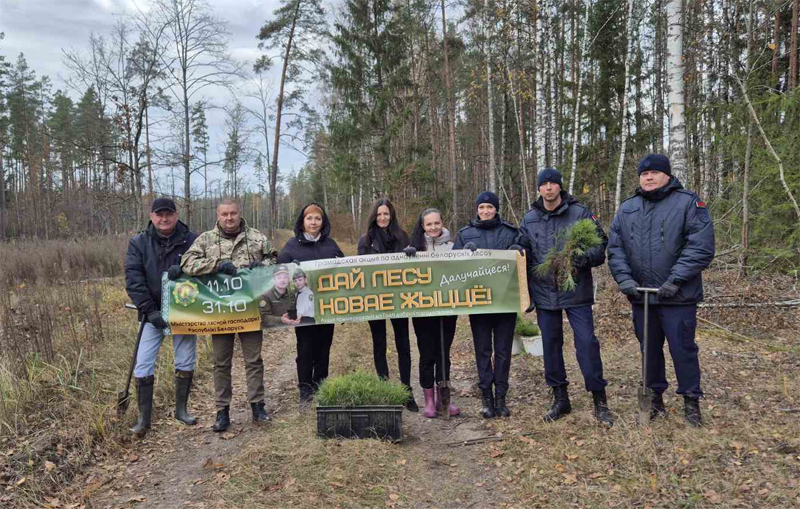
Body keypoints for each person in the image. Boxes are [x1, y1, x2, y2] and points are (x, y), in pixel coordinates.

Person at [608, 154, 715, 427]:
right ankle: (655, 399)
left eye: (655, 172)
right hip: (642, 297)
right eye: (644, 173)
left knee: (683, 350)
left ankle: (691, 401)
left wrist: (675, 280)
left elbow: (700, 247)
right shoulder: (627, 208)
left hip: (678, 296)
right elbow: (616, 249)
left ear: (667, 175)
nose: (649, 177)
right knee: (650, 351)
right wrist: (625, 281)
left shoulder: (688, 203)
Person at [520, 168, 613, 426]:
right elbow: (522, 251)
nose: (549, 188)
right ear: (538, 188)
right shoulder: (529, 219)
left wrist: (581, 258)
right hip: (544, 292)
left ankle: (599, 399)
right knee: (550, 346)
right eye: (544, 184)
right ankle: (560, 398)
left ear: (560, 187)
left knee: (586, 344)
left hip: (576, 290)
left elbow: (599, 246)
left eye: (553, 183)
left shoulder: (580, 213)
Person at [181, 199, 277, 432]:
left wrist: (262, 266)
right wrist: (215, 265)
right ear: (218, 215)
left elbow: (274, 258)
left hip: (250, 308)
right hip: (220, 312)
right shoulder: (205, 239)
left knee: (254, 360)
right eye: (224, 214)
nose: (229, 218)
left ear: (239, 213)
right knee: (221, 363)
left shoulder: (256, 237)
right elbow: (186, 263)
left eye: (233, 213)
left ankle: (257, 406)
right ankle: (222, 411)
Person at [124, 197, 198, 437]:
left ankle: (182, 410)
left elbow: (205, 269)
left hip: (185, 311)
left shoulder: (192, 240)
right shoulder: (138, 243)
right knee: (143, 363)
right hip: (151, 314)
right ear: (152, 216)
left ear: (176, 215)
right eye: (159, 214)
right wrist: (149, 310)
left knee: (185, 359)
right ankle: (144, 418)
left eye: (168, 214)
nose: (164, 218)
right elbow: (134, 280)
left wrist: (186, 270)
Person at [453, 191, 523, 418]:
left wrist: (519, 251)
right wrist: (463, 253)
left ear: (496, 209)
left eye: (490, 207)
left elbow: (524, 260)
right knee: (483, 350)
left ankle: (501, 396)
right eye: (482, 207)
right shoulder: (465, 234)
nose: (485, 211)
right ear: (476, 209)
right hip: (479, 302)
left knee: (503, 351)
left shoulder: (511, 232)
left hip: (505, 302)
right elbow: (453, 267)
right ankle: (486, 397)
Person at [277, 203, 344, 408]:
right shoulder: (291, 246)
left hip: (327, 308)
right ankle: (305, 389)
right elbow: (278, 272)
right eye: (310, 218)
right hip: (303, 309)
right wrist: (290, 266)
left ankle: (320, 383)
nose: (313, 222)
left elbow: (346, 271)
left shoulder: (330, 244)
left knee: (324, 348)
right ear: (302, 221)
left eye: (318, 218)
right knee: (305, 349)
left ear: (323, 222)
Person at [357, 198, 419, 412]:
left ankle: (406, 391)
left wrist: (411, 254)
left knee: (403, 344)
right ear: (374, 216)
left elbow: (413, 268)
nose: (383, 218)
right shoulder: (365, 241)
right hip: (375, 300)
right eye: (379, 214)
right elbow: (358, 272)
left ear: (391, 216)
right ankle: (384, 389)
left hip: (400, 299)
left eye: (386, 214)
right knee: (379, 345)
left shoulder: (402, 236)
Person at [408, 208, 460, 418]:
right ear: (423, 226)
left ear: (442, 223)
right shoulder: (415, 247)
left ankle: (443, 399)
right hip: (422, 310)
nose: (433, 228)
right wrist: (407, 256)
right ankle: (428, 400)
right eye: (429, 224)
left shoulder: (453, 246)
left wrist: (470, 253)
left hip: (447, 309)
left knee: (443, 354)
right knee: (427, 354)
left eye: (436, 223)